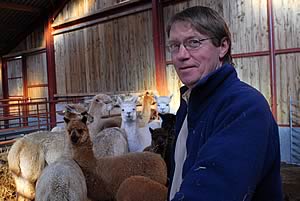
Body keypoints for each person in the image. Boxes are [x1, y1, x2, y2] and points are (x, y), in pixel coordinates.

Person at [166, 6, 283, 201]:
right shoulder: (188, 104)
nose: (181, 55)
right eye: (174, 46)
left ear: (222, 47)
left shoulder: (245, 107)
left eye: (193, 42)